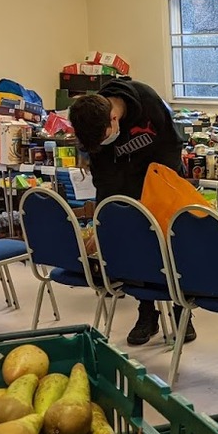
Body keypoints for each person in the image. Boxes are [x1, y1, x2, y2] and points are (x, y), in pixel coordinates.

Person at [70, 79, 195, 346]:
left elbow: (172, 148)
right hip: (124, 190)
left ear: (113, 118)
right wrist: (103, 222)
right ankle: (146, 315)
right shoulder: (93, 122)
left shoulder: (148, 104)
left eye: (106, 136)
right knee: (137, 254)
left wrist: (158, 192)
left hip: (160, 183)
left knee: (172, 251)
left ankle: (181, 311)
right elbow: (102, 179)